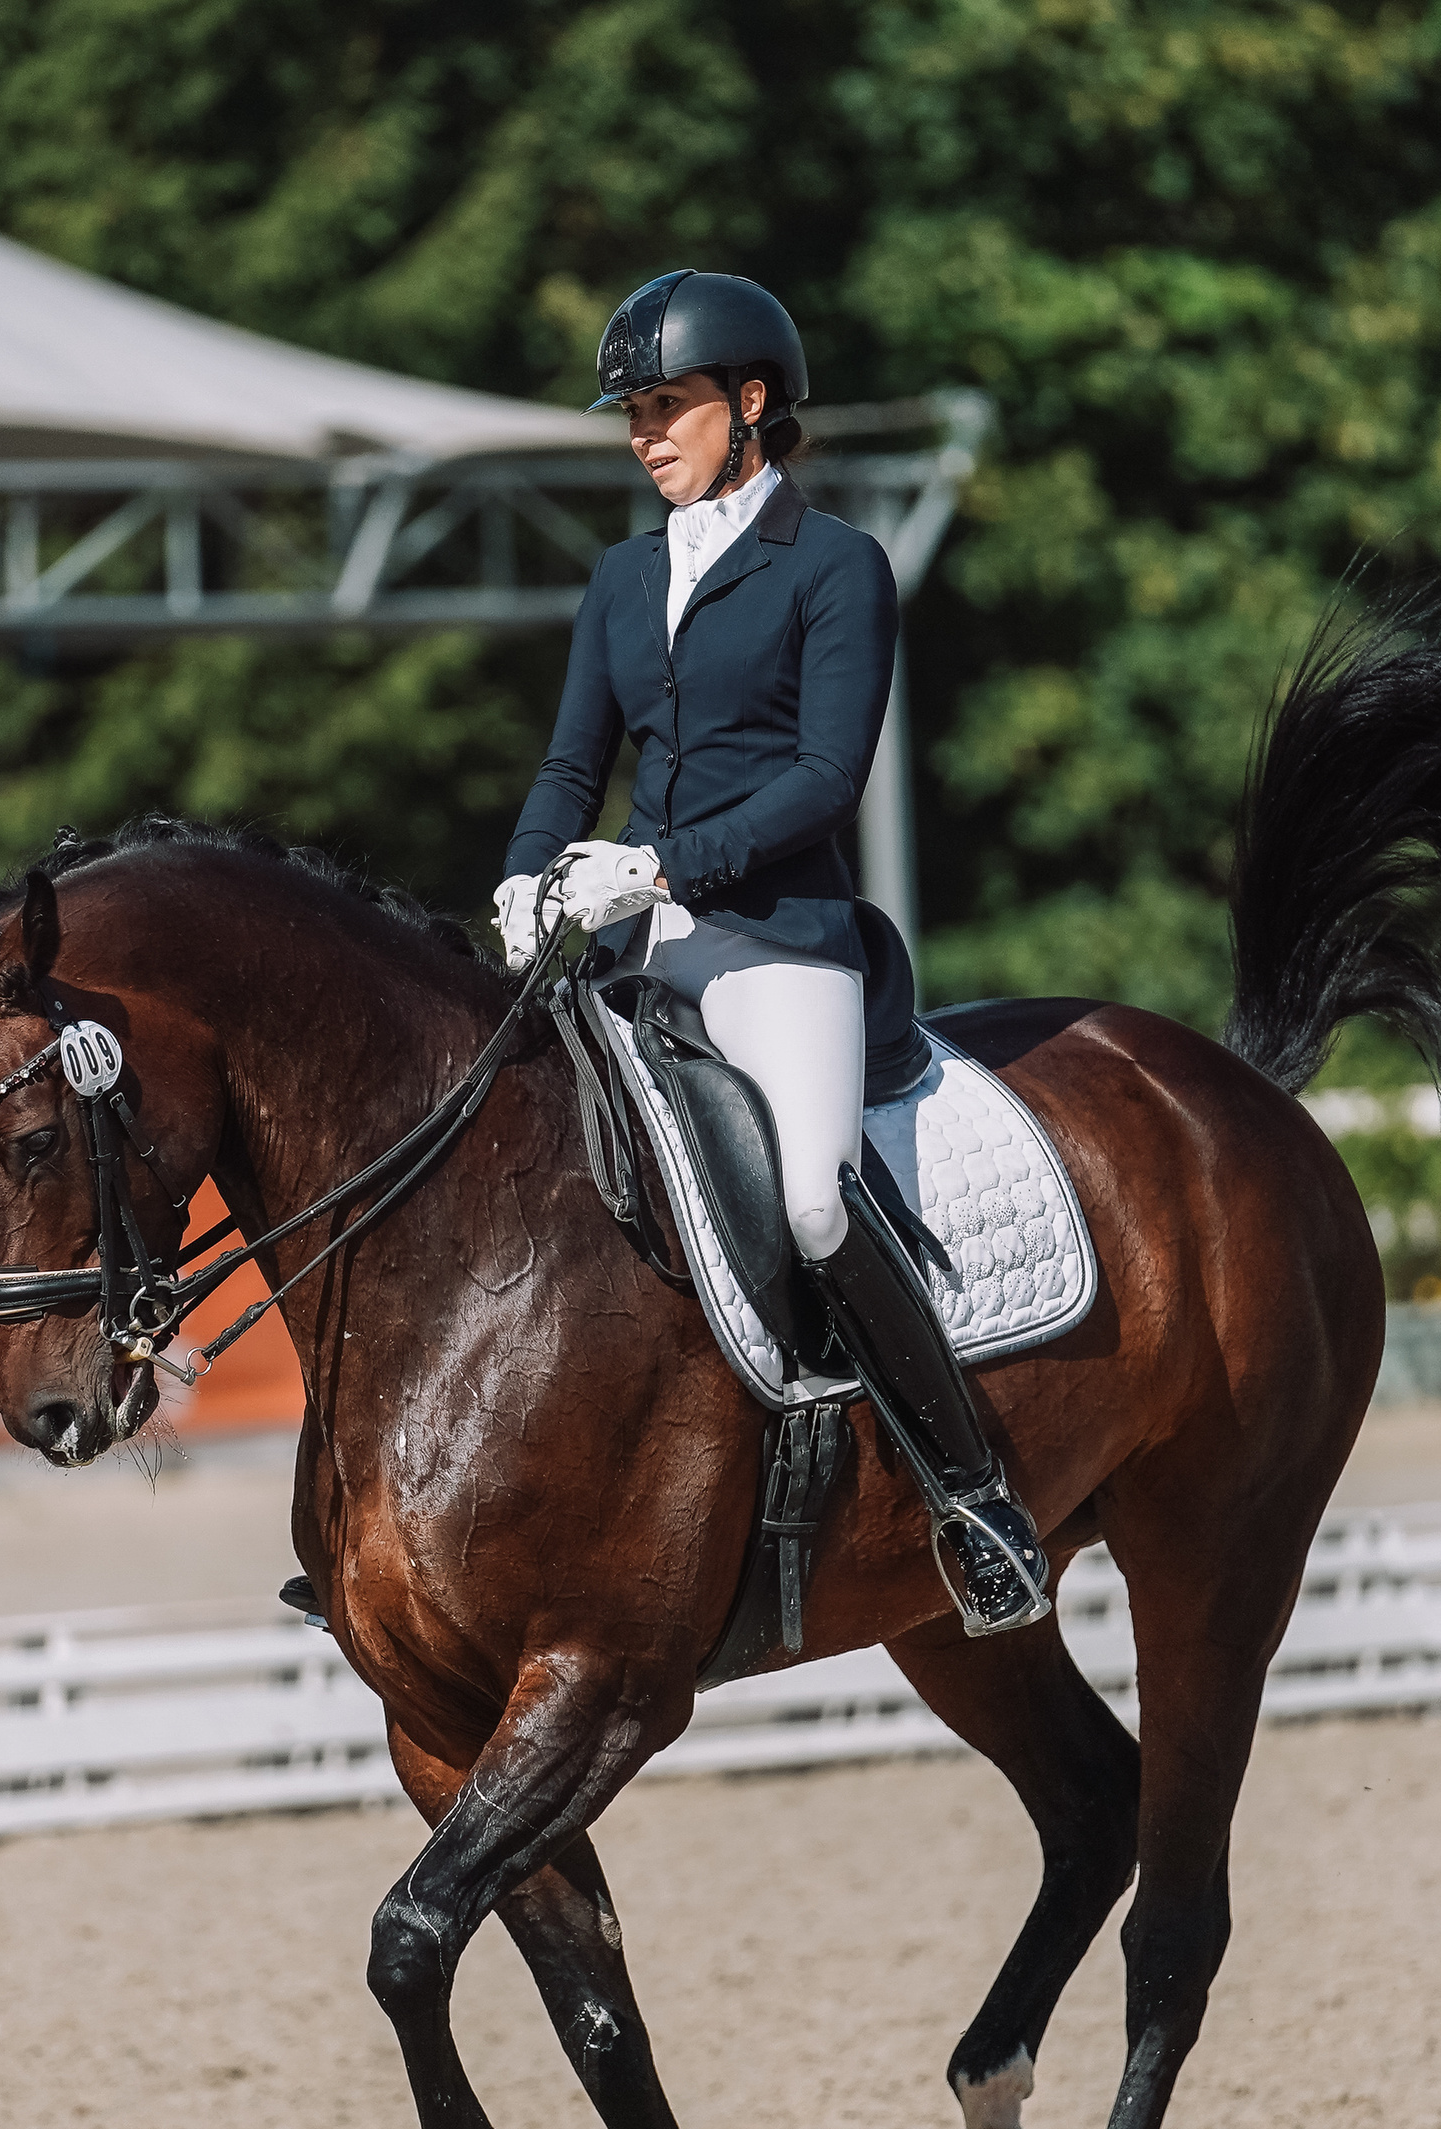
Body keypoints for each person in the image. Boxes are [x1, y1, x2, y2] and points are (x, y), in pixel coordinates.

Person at [495, 270, 1049, 1638]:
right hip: (633, 947)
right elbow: (570, 767)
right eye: (633, 413)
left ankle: (974, 1498)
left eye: (667, 407)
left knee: (811, 1205)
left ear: (750, 404)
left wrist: (660, 867)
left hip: (779, 943)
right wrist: (523, 874)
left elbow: (823, 781)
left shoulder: (834, 565)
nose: (645, 435)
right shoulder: (623, 578)